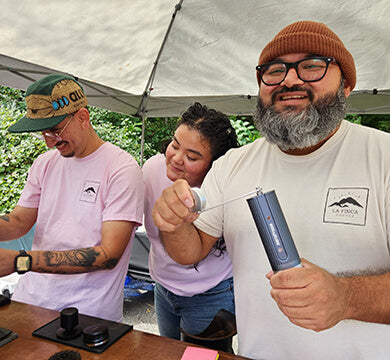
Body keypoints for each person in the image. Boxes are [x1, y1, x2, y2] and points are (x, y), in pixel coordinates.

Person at [152, 21, 390, 359]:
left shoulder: (383, 158)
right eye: (274, 71)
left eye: (311, 66)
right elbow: (190, 252)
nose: (290, 80)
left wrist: (347, 297)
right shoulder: (232, 164)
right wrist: (174, 223)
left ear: (346, 84)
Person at [0, 74, 144, 322]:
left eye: (55, 131)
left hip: (88, 317)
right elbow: (18, 221)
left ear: (83, 118)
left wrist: (20, 261)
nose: (49, 143)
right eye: (42, 133)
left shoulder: (121, 169)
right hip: (30, 304)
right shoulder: (44, 164)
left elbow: (108, 255)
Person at [143, 102, 239, 340]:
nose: (176, 158)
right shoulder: (153, 168)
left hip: (210, 293)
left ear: (213, 166)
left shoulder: (222, 188)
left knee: (202, 357)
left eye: (192, 157)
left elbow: (193, 249)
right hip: (164, 288)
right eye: (175, 145)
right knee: (170, 352)